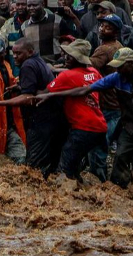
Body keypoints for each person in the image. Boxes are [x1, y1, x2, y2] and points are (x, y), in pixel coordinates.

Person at [36, 48, 133, 194]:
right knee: (120, 158)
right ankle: (118, 194)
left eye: (121, 66)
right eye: (116, 66)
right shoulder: (116, 77)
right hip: (131, 128)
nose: (117, 69)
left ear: (131, 64)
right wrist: (52, 95)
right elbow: (83, 90)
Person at [0, 38, 66, 177]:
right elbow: (37, 87)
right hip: (54, 119)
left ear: (29, 52)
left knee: (32, 169)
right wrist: (20, 87)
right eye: (13, 53)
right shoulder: (38, 61)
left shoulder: (27, 65)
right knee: (49, 165)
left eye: (19, 53)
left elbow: (28, 99)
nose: (15, 56)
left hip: (41, 121)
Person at [44, 39, 107, 181]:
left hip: (82, 128)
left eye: (70, 56)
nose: (65, 57)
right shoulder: (94, 72)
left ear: (78, 59)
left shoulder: (66, 76)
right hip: (100, 126)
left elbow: (44, 93)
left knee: (65, 169)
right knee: (79, 165)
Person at [87, 14, 124, 182]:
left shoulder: (104, 49)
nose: (102, 29)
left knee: (98, 144)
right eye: (101, 25)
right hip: (119, 103)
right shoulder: (118, 46)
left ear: (115, 31)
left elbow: (88, 65)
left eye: (107, 27)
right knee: (120, 145)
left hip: (108, 105)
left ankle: (98, 181)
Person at [21, 0, 72, 64]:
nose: (31, 8)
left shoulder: (57, 20)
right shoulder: (24, 26)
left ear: (43, 5)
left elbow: (68, 40)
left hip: (57, 65)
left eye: (35, 5)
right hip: (35, 67)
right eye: (29, 6)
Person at [0, 0, 28, 76]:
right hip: (14, 68)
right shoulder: (9, 23)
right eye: (18, 5)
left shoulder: (33, 22)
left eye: (23, 4)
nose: (20, 7)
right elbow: (1, 41)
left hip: (31, 66)